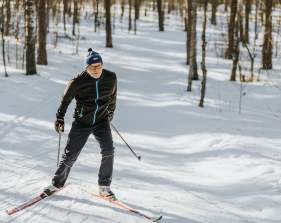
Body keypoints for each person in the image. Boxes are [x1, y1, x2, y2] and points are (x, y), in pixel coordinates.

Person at [42, 48, 117, 200]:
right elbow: (65, 100)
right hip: (82, 122)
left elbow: (113, 95)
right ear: (87, 67)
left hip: (101, 121)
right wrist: (60, 118)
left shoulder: (111, 77)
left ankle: (104, 186)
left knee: (108, 150)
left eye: (99, 66)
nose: (96, 69)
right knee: (70, 156)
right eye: (92, 67)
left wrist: (111, 111)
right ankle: (57, 183)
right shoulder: (77, 82)